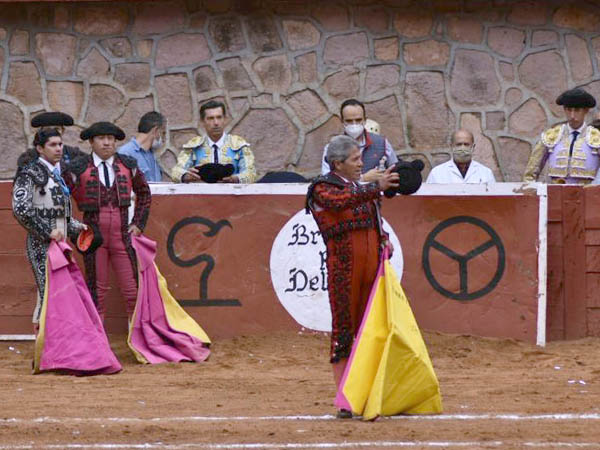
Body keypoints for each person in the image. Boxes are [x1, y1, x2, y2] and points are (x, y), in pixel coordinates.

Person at [306, 135, 399, 419]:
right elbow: (340, 202)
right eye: (355, 159)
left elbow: (374, 221)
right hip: (344, 269)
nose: (361, 163)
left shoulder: (362, 189)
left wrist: (384, 239)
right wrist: (374, 186)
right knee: (345, 328)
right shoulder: (322, 187)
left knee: (372, 327)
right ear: (338, 163)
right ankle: (346, 398)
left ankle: (371, 392)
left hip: (371, 266)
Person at [63, 122, 151, 321]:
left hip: (122, 237)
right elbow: (60, 198)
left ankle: (137, 337)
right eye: (101, 138)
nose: (106, 143)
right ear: (91, 142)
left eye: (110, 139)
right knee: (97, 294)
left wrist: (138, 223)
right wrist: (73, 228)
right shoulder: (77, 168)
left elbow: (144, 193)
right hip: (93, 239)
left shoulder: (128, 165)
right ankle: (98, 340)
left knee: (132, 291)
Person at [12, 128, 86, 331]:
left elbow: (60, 215)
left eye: (60, 144)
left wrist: (78, 227)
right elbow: (21, 210)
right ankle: (45, 342)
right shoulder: (29, 173)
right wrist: (47, 231)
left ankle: (51, 340)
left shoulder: (57, 174)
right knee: (48, 292)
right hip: (41, 244)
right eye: (53, 145)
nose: (59, 149)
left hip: (60, 244)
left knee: (55, 292)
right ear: (39, 148)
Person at [524, 88, 600, 184]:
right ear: (564, 110)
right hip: (555, 191)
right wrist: (531, 190)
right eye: (569, 110)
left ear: (586, 111)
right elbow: (530, 173)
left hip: (588, 191)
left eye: (577, 110)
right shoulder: (551, 136)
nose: (572, 115)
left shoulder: (597, 137)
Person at [170, 100, 257, 183]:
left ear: (225, 119)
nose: (216, 123)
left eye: (219, 117)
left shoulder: (239, 145)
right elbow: (176, 171)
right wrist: (186, 176)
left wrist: (236, 179)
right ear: (202, 121)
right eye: (210, 118)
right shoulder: (193, 146)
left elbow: (251, 173)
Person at [321, 99, 398, 182]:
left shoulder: (382, 143)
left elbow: (395, 169)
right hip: (345, 190)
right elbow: (327, 180)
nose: (354, 124)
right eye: (349, 121)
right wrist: (362, 178)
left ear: (365, 120)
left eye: (358, 120)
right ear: (342, 121)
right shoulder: (331, 148)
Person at [16, 112, 85, 171]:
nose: (53, 132)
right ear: (41, 131)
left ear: (63, 131)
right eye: (48, 129)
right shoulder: (29, 157)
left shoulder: (74, 154)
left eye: (56, 129)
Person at [426, 129, 495, 183]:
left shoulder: (486, 173)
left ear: (473, 147)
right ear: (451, 146)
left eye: (466, 144)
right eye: (459, 144)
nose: (462, 148)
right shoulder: (437, 173)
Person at [118, 111, 165, 182]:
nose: (163, 139)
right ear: (155, 130)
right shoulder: (125, 153)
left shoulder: (152, 154)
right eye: (163, 133)